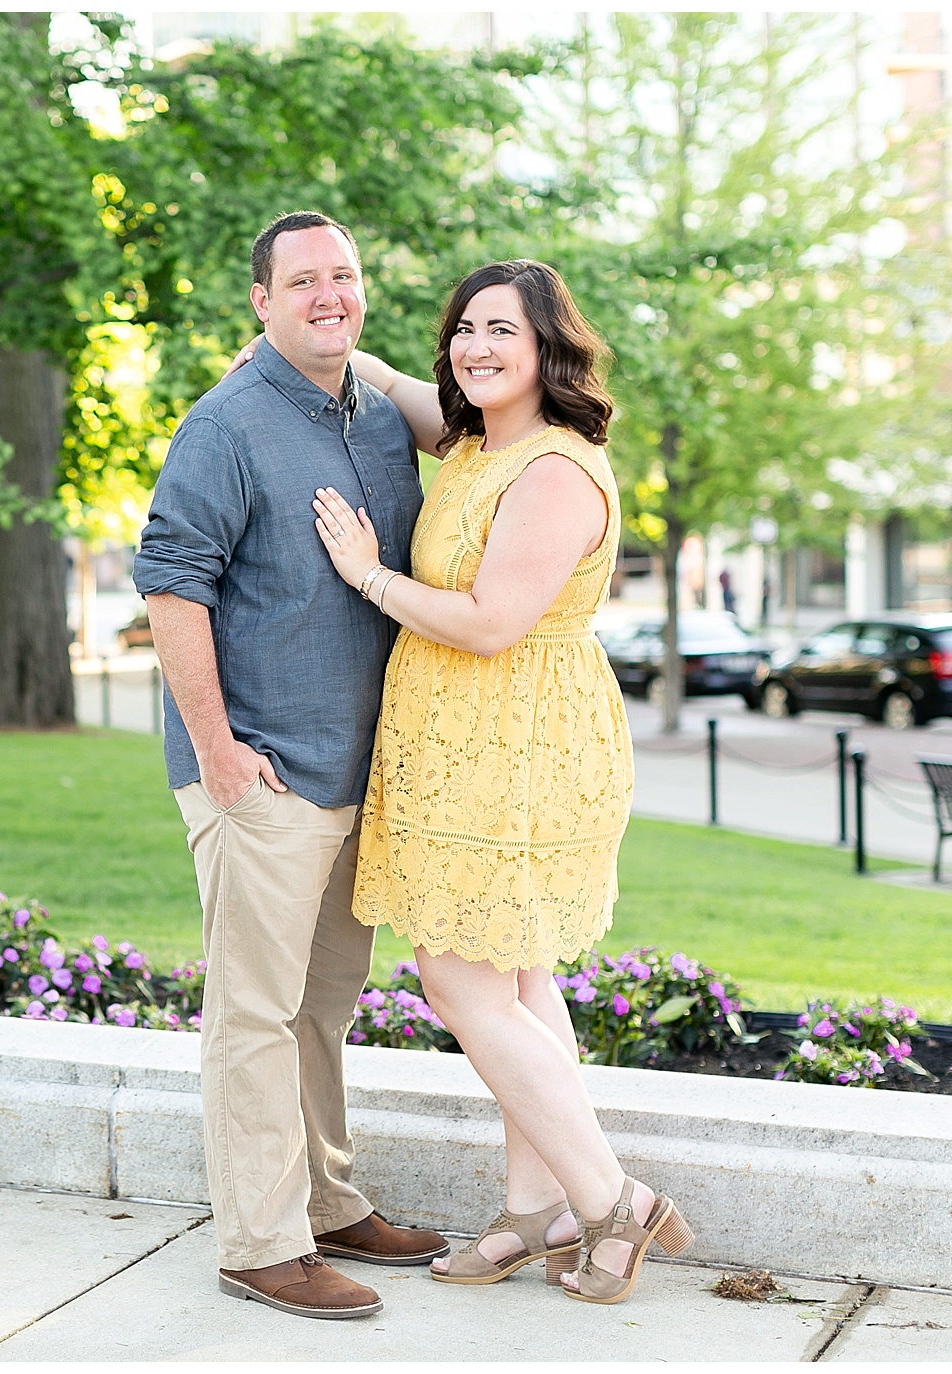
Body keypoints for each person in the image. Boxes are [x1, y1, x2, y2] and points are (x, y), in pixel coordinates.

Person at [307, 259, 693, 1304]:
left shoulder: (556, 472)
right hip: (456, 743)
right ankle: (536, 1213)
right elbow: (411, 396)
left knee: (460, 982)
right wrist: (334, 351)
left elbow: (489, 622)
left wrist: (366, 576)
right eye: (465, 329)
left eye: (502, 334)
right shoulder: (478, 441)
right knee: (517, 981)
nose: (477, 347)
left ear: (546, 351)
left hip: (520, 748)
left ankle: (614, 1201)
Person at [132, 211, 449, 1322]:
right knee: (254, 1015)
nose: (328, 294)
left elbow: (469, 427)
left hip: (357, 773)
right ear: (258, 303)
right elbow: (173, 586)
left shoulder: (373, 415)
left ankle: (323, 1202)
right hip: (260, 773)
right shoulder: (224, 424)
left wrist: (356, 354)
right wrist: (217, 752)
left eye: (345, 277)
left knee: (320, 1007)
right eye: (302, 281)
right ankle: (258, 1242)